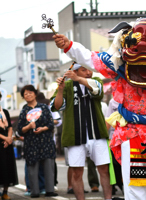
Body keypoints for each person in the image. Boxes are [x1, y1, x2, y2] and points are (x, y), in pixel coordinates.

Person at [53, 16, 146, 200]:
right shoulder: (119, 65)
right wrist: (68, 45)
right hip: (131, 132)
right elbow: (91, 59)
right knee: (133, 188)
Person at [50, 64, 113, 200]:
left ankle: (108, 198)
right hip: (75, 135)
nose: (88, 72)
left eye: (89, 69)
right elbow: (57, 106)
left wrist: (78, 78)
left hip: (96, 133)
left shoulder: (96, 81)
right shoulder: (67, 86)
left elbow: (97, 91)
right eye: (83, 70)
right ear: (75, 71)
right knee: (77, 172)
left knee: (103, 169)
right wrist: (60, 90)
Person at [17, 85, 57, 198]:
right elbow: (20, 130)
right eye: (25, 94)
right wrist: (29, 127)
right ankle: (34, 191)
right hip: (31, 143)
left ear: (35, 94)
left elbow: (50, 123)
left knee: (49, 166)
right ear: (23, 97)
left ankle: (50, 189)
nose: (28, 95)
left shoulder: (44, 107)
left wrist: (43, 128)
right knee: (32, 167)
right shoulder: (24, 110)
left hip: (46, 141)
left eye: (30, 92)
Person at [0, 92, 18, 200]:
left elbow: (10, 127)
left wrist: (9, 138)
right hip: (2, 141)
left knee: (7, 167)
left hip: (6, 145)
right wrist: (5, 138)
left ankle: (5, 192)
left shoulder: (5, 111)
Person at [87, 101, 108, 193]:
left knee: (105, 165)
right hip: (88, 137)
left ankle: (112, 185)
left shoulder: (103, 105)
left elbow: (107, 120)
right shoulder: (84, 104)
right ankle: (94, 184)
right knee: (91, 164)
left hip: (100, 136)